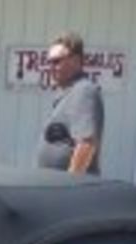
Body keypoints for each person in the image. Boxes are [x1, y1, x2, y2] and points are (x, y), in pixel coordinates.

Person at [36, 34, 103, 176]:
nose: (51, 67)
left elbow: (86, 145)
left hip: (70, 191)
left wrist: (70, 185)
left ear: (76, 60)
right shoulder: (69, 92)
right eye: (49, 62)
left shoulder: (84, 91)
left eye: (56, 61)